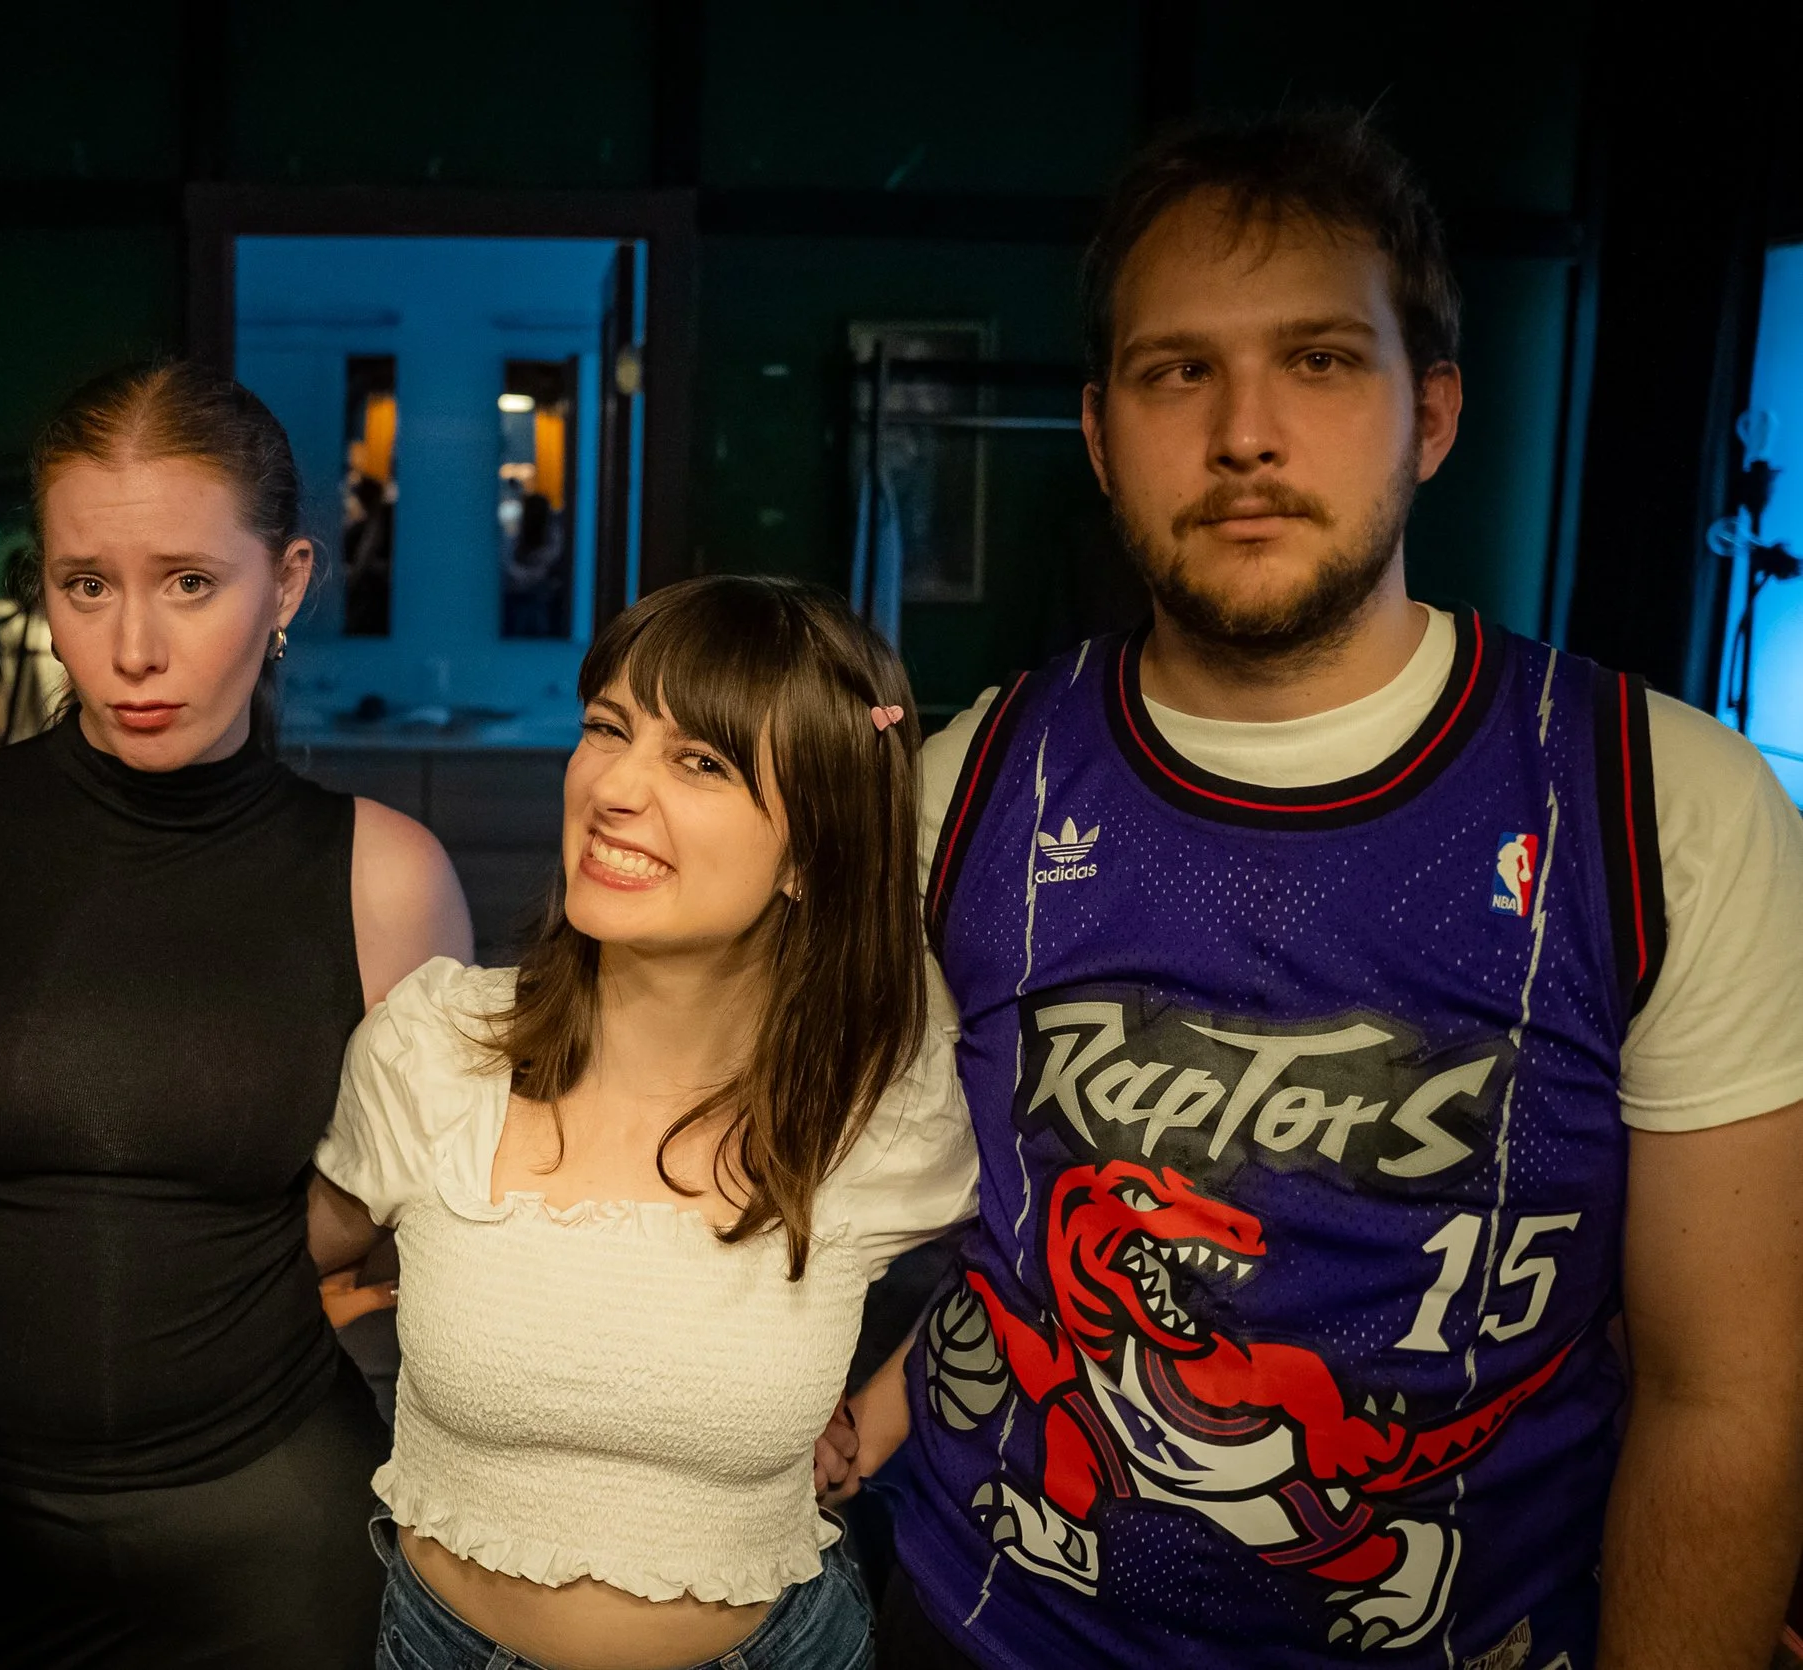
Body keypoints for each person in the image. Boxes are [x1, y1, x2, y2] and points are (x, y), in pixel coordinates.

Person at [830, 112, 1803, 1670]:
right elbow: (858, 1184)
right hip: (979, 1627)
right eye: (1178, 372)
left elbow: (1728, 1391)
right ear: (1099, 432)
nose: (1245, 433)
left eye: (1321, 361)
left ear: (1432, 413)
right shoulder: (970, 782)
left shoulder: (1660, 802)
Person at [0, 360, 471, 1669]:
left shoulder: (386, 877)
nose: (134, 647)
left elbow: (421, 1216)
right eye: (89, 584)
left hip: (271, 1530)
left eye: (191, 580)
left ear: (286, 581)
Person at [315, 575, 981, 1670]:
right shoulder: (435, 1048)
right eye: (607, 729)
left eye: (701, 761)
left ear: (808, 851)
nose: (614, 786)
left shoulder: (878, 1105)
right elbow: (260, 1273)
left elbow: (1035, 1254)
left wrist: (877, 1409)